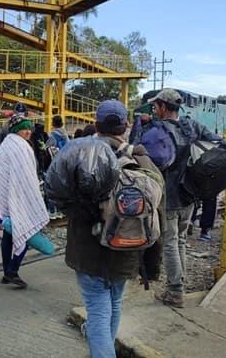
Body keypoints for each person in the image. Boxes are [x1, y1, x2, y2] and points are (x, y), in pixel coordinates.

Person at [65, 100, 164, 357]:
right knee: (114, 303)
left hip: (89, 251)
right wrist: (152, 266)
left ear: (96, 125)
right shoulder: (142, 160)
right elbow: (157, 217)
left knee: (97, 311)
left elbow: (62, 200)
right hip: (128, 249)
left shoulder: (79, 155)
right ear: (126, 126)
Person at [147, 89, 222, 308]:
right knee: (180, 240)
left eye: (155, 106)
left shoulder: (158, 129)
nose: (153, 109)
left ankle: (175, 292)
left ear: (163, 106)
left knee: (170, 242)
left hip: (169, 195)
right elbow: (217, 143)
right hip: (189, 193)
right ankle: (180, 284)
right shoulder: (193, 126)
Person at [0, 114, 49, 289]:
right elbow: (26, 176)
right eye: (25, 128)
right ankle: (12, 270)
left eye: (30, 127)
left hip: (7, 198)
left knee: (9, 232)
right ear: (16, 129)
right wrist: (32, 196)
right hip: (20, 197)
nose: (28, 131)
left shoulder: (6, 144)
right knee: (25, 231)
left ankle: (7, 271)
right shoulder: (21, 146)